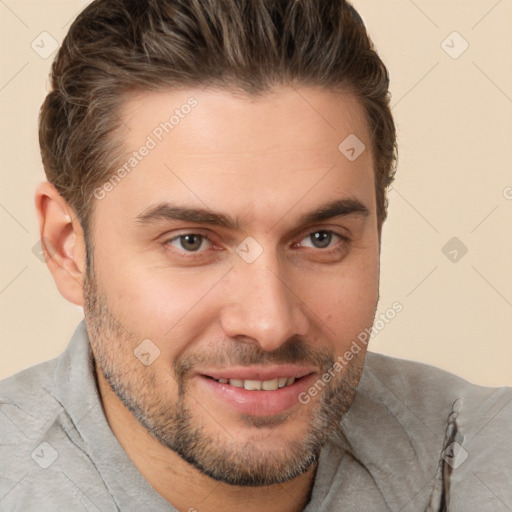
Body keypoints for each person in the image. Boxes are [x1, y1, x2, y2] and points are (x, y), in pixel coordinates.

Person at [1, 1, 510, 511]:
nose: (270, 324)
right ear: (68, 249)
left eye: (320, 238)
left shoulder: (475, 458)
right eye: (191, 242)